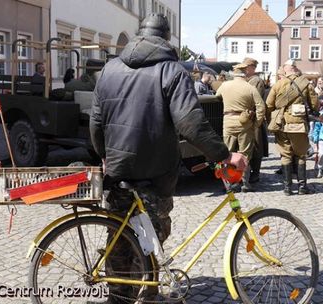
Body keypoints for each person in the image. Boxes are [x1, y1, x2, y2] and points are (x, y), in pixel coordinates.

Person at [90, 13, 247, 301]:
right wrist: (224, 155)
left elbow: (95, 124)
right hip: (155, 170)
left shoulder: (109, 70)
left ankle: (118, 294)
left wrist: (105, 156)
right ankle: (145, 294)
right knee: (152, 236)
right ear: (164, 38)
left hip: (117, 170)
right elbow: (191, 124)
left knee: (118, 235)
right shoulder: (171, 71)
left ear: (140, 34)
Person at [266, 59, 319, 195]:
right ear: (295, 68)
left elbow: (269, 104)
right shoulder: (305, 83)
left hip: (282, 124)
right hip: (298, 124)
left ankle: (287, 188)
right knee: (301, 155)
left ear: (285, 69)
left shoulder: (278, 84)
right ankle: (302, 187)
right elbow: (314, 104)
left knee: (285, 155)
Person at [216, 61, 265, 192]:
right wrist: (257, 123)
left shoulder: (225, 85)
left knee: (227, 153)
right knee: (245, 154)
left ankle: (228, 183)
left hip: (228, 122)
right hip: (245, 124)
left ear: (234, 74)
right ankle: (245, 183)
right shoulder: (250, 88)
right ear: (245, 74)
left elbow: (217, 96)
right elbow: (261, 107)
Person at [244, 57, 268, 183]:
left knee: (257, 145)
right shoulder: (246, 80)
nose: (244, 69)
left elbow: (255, 100)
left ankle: (255, 173)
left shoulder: (256, 81)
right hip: (246, 117)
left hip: (254, 117)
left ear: (252, 68)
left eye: (246, 67)